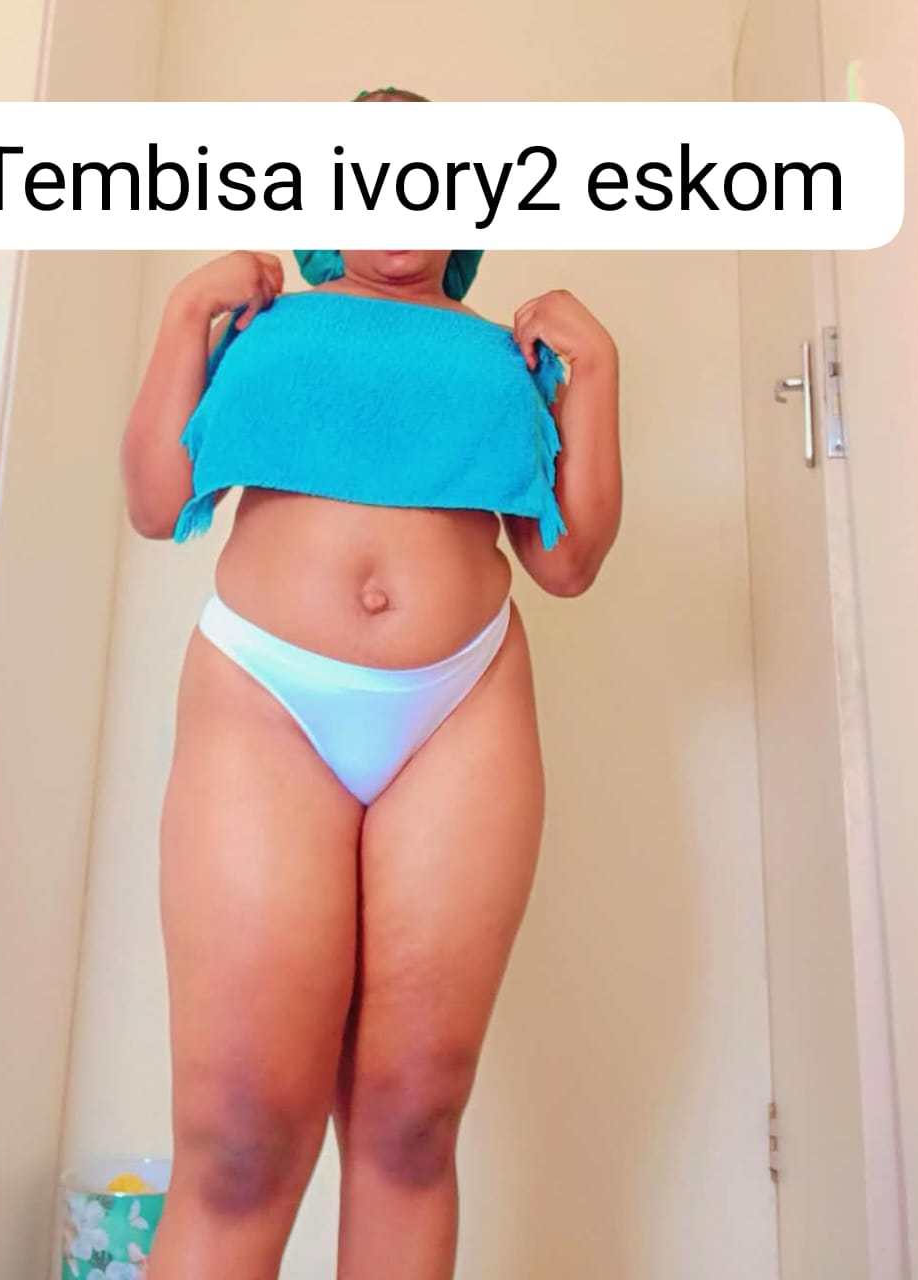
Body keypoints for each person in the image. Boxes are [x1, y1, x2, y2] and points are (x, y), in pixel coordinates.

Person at [122, 88, 621, 1280]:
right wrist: (188, 309)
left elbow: (564, 561)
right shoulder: (265, 329)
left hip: (460, 709)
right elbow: (154, 500)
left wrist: (596, 370)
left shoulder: (503, 356)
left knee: (408, 1122)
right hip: (265, 699)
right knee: (239, 1140)